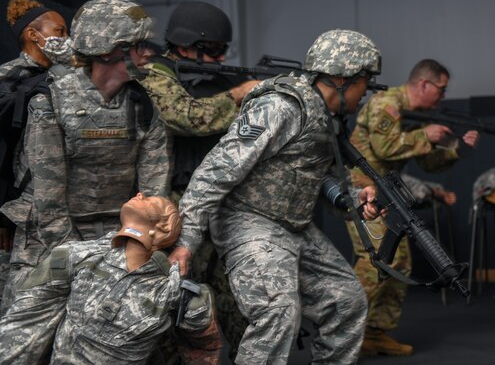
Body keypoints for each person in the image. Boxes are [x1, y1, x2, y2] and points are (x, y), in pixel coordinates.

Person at [169, 29, 382, 364]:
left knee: (347, 302)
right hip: (248, 220)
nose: (366, 93)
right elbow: (214, 172)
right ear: (343, 79)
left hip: (292, 226)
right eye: (365, 83)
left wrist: (352, 197)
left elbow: (312, 176)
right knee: (277, 311)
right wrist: (187, 241)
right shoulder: (281, 107)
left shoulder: (328, 117)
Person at [0, 0, 171, 314]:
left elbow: (153, 198)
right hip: (48, 240)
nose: (148, 54)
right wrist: (85, 262)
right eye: (138, 46)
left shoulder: (144, 108)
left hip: (117, 237)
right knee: (24, 344)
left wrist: (136, 247)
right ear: (106, 50)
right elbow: (49, 202)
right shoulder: (50, 100)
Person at [138, 1, 259, 359]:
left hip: (218, 203)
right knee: (175, 300)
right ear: (190, 46)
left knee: (234, 295)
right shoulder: (155, 74)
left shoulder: (209, 80)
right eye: (216, 51)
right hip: (171, 203)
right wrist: (238, 95)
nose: (222, 60)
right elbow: (186, 118)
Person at [345, 58, 479, 356]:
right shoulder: (387, 104)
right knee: (376, 261)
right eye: (441, 90)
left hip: (386, 192)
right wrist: (425, 135)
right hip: (361, 191)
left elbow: (428, 163)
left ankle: (374, 333)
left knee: (401, 260)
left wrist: (458, 150)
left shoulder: (414, 115)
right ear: (424, 84)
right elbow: (385, 148)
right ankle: (342, 330)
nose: (443, 96)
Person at [0, 193, 220, 364]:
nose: (141, 194)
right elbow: (24, 323)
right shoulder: (74, 256)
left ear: (164, 227)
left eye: (152, 200)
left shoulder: (175, 293)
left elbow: (205, 345)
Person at [0, 0, 73, 309]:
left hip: (54, 211)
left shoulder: (67, 81)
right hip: (14, 214)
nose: (66, 39)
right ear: (33, 35)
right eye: (60, 32)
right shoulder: (8, 79)